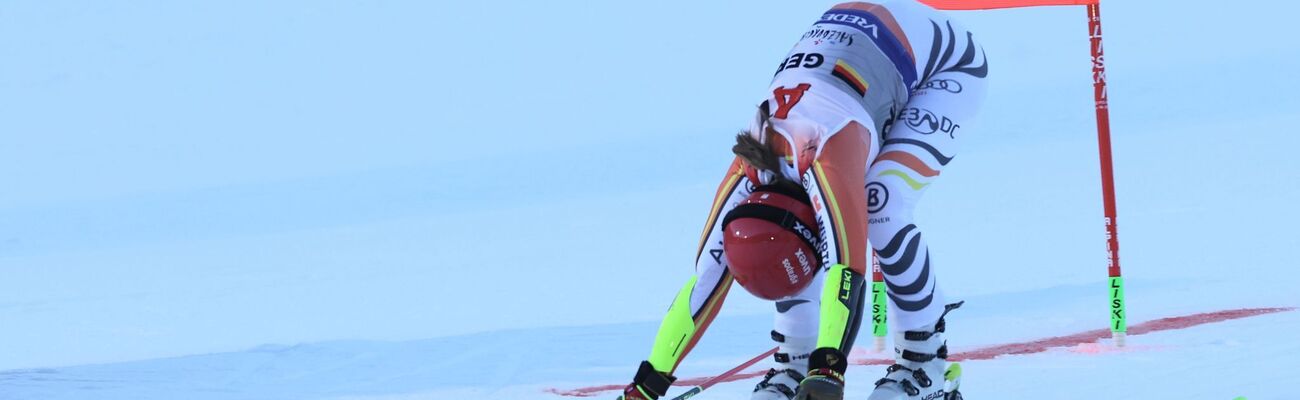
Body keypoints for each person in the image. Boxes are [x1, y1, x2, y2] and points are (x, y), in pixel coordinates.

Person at [617, 1, 987, 400]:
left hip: (948, 66)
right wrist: (648, 383)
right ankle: (794, 357)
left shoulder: (825, 153)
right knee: (813, 224)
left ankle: (925, 360)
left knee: (881, 205)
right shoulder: (747, 170)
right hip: (866, 41)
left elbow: (847, 268)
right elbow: (705, 280)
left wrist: (829, 369)